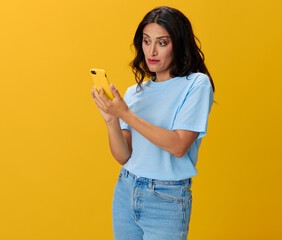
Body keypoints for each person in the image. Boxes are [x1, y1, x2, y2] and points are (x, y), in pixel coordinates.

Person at [91, 6, 215, 240]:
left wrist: (126, 115)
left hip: (166, 198)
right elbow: (123, 156)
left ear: (178, 44)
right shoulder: (134, 92)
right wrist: (111, 121)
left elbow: (178, 145)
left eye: (162, 42)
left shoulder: (196, 84)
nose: (152, 51)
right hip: (126, 190)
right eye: (147, 41)